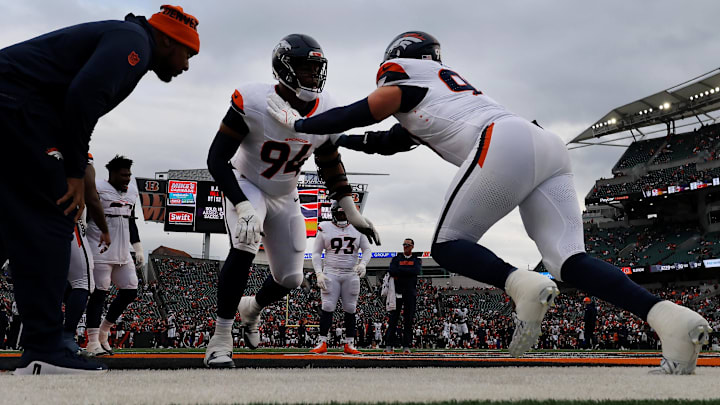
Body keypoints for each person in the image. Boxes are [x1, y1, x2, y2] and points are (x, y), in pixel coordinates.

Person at [266, 31, 712, 374]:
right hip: (543, 144)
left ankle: (521, 285)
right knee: (568, 261)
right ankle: (670, 322)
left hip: (503, 142)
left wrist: (304, 123)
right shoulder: (445, 90)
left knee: (446, 244)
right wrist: (338, 137)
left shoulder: (405, 77)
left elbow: (368, 108)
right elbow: (388, 140)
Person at [0, 4, 199, 374]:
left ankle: (43, 343)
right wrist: (75, 171)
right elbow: (82, 98)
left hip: (16, 105)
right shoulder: (133, 44)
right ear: (169, 41)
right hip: (16, 106)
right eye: (188, 52)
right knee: (50, 216)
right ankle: (43, 347)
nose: (186, 65)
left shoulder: (124, 36)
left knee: (8, 224)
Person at [202, 33, 379, 368]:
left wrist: (351, 208)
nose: (313, 75)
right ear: (283, 67)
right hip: (247, 182)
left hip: (285, 193)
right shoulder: (252, 100)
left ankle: (250, 309)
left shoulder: (326, 107)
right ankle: (221, 337)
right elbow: (216, 159)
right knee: (244, 239)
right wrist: (241, 204)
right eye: (305, 67)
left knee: (291, 279)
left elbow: (328, 158)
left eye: (317, 68)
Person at [84, 155, 144, 356]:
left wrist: (138, 247)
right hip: (99, 248)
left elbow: (131, 220)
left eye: (129, 174)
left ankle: (104, 331)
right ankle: (92, 342)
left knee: (130, 290)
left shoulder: (132, 192)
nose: (127, 178)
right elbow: (86, 215)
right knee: (99, 294)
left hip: (122, 251)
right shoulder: (98, 188)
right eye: (123, 174)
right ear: (112, 174)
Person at [309, 201, 372, 355]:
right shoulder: (325, 227)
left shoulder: (358, 227)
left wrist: (363, 264)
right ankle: (322, 342)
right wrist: (318, 272)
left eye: (345, 213)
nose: (342, 216)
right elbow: (316, 252)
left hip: (351, 272)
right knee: (328, 307)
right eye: (340, 213)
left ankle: (349, 344)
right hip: (331, 272)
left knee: (351, 308)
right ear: (333, 214)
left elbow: (367, 250)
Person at [63, 153, 111, 354]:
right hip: (66, 220)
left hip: (32, 220)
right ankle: (65, 337)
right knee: (84, 282)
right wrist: (104, 229)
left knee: (49, 282)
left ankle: (41, 337)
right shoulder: (77, 151)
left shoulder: (34, 142)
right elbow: (91, 195)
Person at [383, 239, 421, 354]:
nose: (405, 247)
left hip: (410, 293)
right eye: (404, 244)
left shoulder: (416, 260)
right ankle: (389, 344)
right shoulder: (397, 258)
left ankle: (406, 345)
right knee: (393, 319)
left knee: (408, 320)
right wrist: (406, 272)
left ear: (412, 246)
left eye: (408, 245)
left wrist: (400, 272)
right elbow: (392, 270)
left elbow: (416, 270)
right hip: (397, 292)